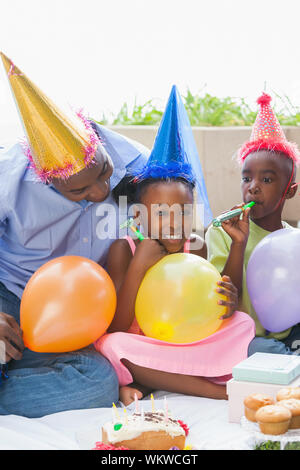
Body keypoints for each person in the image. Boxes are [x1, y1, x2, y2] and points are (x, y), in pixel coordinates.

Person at [0, 53, 149, 417]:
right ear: (44, 178)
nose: (100, 193)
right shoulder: (8, 178)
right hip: (11, 299)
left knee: (99, 382)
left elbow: (183, 223)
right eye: (79, 191)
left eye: (103, 173)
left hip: (76, 315)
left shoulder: (136, 165)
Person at [95, 86, 255, 405]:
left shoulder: (194, 247)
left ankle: (159, 379)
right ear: (138, 217)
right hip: (143, 345)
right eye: (161, 213)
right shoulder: (122, 249)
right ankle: (214, 389)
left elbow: (218, 310)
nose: (173, 223)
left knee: (243, 323)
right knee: (110, 345)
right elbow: (117, 324)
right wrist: (140, 264)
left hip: (185, 342)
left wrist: (238, 247)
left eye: (182, 212)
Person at [206, 92, 300, 356]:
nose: (253, 188)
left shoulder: (294, 240)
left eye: (267, 180)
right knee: (258, 349)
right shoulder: (222, 231)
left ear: (290, 191)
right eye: (246, 179)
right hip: (244, 337)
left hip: (290, 332)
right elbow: (223, 303)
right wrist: (239, 243)